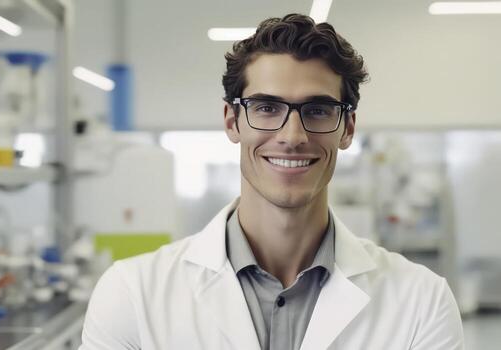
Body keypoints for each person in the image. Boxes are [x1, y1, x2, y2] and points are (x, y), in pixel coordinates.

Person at [79, 13, 464, 350]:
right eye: (267, 108)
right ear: (232, 122)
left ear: (347, 129)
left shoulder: (422, 301)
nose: (293, 135)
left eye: (317, 110)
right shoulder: (132, 293)